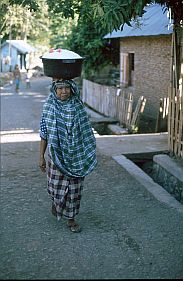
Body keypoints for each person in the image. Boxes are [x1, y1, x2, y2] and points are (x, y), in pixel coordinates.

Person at [39, 78, 97, 233]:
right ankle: (56, 202)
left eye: (67, 88)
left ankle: (71, 219)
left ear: (72, 89)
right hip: (55, 155)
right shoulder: (49, 107)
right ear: (54, 90)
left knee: (74, 189)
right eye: (60, 88)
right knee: (55, 187)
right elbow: (44, 134)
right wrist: (41, 157)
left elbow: (86, 132)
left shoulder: (78, 107)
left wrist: (87, 152)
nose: (64, 91)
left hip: (76, 155)